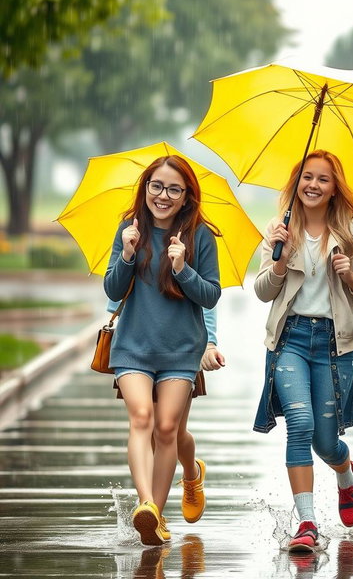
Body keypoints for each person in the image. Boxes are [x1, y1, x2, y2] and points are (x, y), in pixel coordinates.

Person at [253, 150, 353, 551]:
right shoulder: (280, 229)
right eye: (307, 177)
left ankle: (345, 474)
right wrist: (279, 261)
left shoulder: (352, 232)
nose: (313, 185)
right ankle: (307, 523)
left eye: (323, 179)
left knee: (326, 442)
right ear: (296, 182)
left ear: (334, 188)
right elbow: (262, 291)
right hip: (290, 339)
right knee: (300, 423)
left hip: (334, 345)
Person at [104, 154, 221, 545]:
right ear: (146, 188)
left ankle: (160, 504)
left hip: (179, 350)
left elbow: (210, 295)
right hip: (134, 346)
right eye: (156, 186)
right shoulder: (129, 229)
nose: (163, 195)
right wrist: (127, 253)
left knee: (168, 427)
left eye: (174, 189)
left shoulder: (200, 236)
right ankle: (148, 508)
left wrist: (183, 267)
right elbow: (112, 290)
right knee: (142, 418)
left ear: (187, 195)